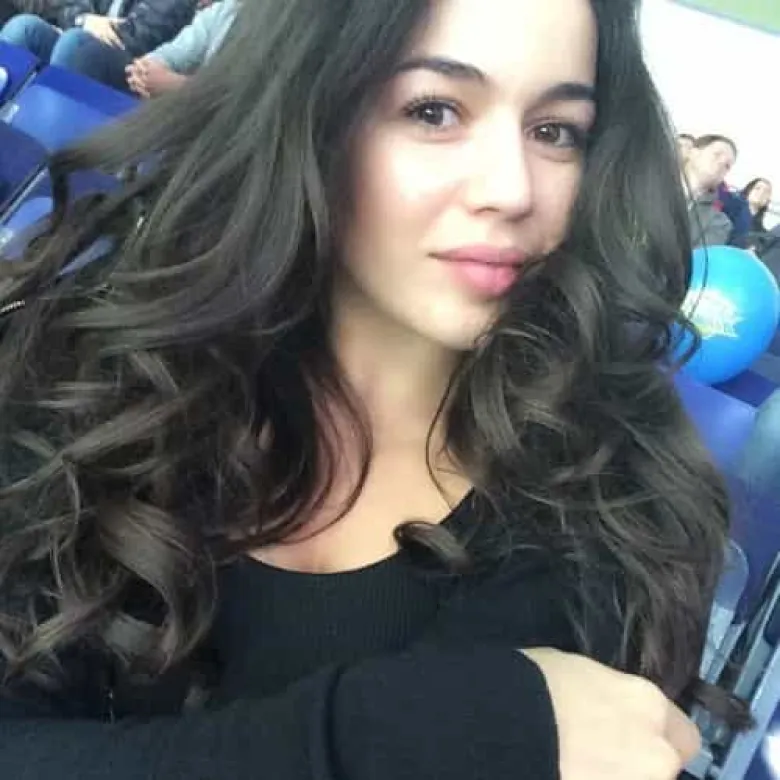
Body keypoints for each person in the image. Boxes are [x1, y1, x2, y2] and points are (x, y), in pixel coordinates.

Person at [0, 0, 747, 777]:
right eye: (434, 110)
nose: (513, 189)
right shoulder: (96, 374)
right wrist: (376, 742)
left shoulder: (609, 518)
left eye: (556, 131)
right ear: (308, 108)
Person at [0, 0, 196, 91]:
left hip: (134, 75)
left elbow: (136, 40)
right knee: (24, 28)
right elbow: (67, 6)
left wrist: (84, 26)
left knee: (75, 44)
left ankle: (46, 135)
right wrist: (83, 19)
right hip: (84, 41)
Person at [125, 0, 236, 98]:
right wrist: (146, 69)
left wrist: (180, 86)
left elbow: (237, 97)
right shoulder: (225, 9)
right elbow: (173, 52)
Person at [683, 134, 738, 248]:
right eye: (717, 154)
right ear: (693, 153)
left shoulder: (719, 222)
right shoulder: (649, 178)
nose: (721, 163)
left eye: (727, 165)